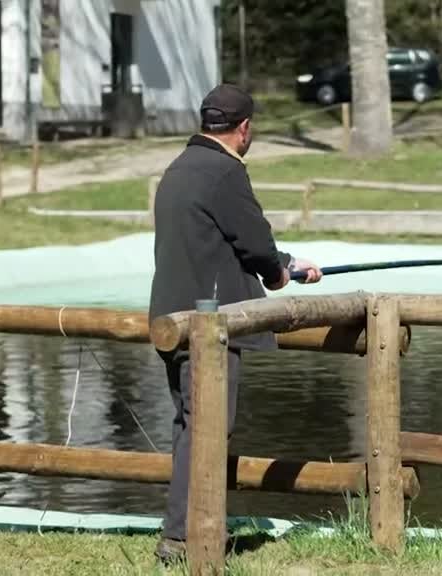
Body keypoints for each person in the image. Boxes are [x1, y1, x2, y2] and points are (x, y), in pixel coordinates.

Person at [148, 83, 322, 565]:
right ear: (243, 129)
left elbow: (221, 241)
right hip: (209, 326)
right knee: (207, 428)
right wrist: (280, 269)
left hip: (171, 318)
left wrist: (281, 263)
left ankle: (182, 534)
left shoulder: (179, 167)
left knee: (190, 426)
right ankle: (186, 538)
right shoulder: (226, 171)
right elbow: (255, 242)